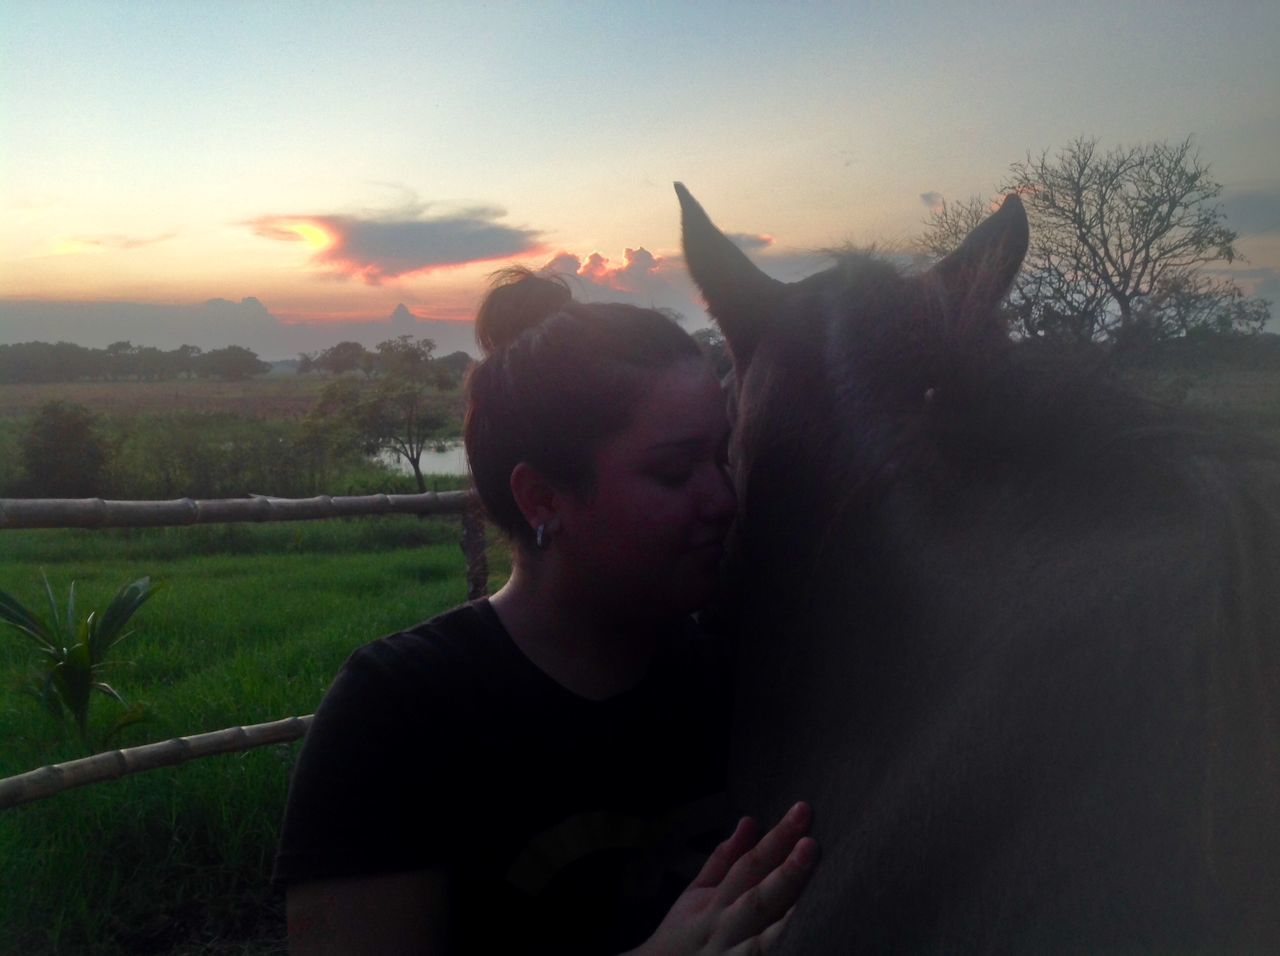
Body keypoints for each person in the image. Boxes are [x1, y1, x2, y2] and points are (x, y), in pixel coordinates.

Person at [275, 269, 817, 954]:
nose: (723, 500)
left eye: (724, 457)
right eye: (675, 472)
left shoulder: (732, 675)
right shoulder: (398, 716)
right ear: (542, 499)